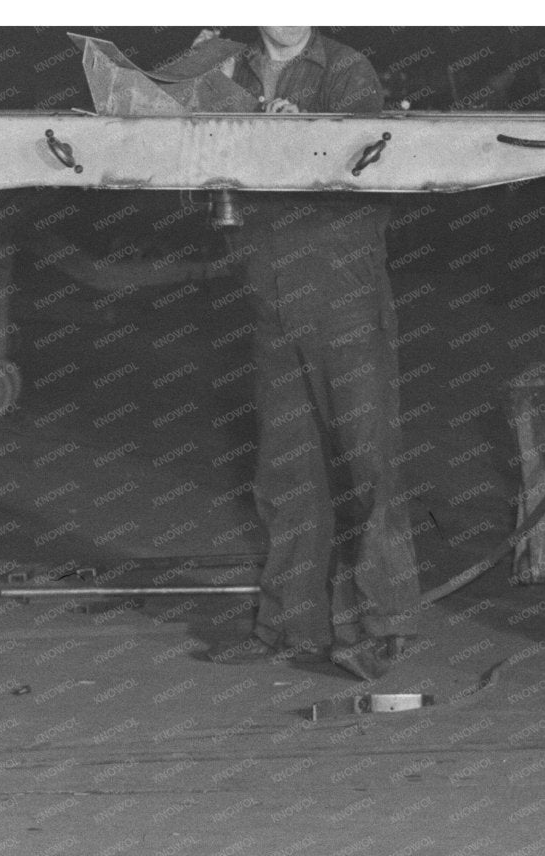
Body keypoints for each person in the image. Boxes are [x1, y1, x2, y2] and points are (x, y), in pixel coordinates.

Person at [197, 28, 420, 681]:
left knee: (368, 460)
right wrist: (197, 68)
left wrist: (301, 133)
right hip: (269, 290)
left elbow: (359, 159)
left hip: (339, 289)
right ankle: (290, 626)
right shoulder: (232, 68)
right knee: (285, 468)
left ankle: (383, 628)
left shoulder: (348, 70)